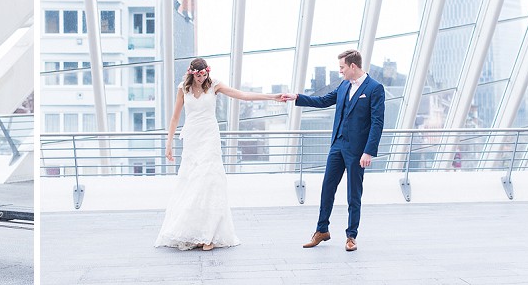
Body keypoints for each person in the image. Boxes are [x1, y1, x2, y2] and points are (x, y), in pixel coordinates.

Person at [155, 58, 284, 251]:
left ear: (207, 73)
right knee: (192, 183)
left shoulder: (214, 86)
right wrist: (169, 143)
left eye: (204, 75)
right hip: (192, 138)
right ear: (192, 74)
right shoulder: (183, 88)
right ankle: (195, 233)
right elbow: (175, 117)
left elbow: (242, 95)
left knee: (210, 182)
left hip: (209, 137)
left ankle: (209, 236)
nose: (201, 79)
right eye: (198, 76)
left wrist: (272, 97)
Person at [279, 49, 384, 252]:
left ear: (353, 66)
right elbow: (324, 100)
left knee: (354, 194)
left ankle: (351, 236)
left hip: (357, 150)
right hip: (337, 145)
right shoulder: (344, 85)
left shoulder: (374, 88)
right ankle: (322, 230)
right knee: (327, 188)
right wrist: (297, 97)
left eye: (342, 67)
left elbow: (377, 122)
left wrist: (368, 151)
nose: (340, 72)